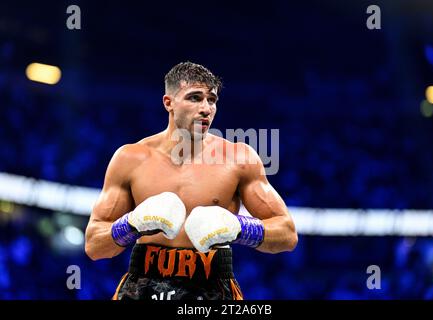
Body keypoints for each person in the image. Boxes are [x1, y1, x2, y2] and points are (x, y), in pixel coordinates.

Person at [84, 61, 298, 300]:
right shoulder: (130, 158)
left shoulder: (239, 158)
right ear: (169, 103)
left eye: (212, 100)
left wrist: (239, 227)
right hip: (143, 286)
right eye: (195, 98)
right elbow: (94, 245)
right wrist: (132, 223)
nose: (206, 108)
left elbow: (287, 234)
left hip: (211, 288)